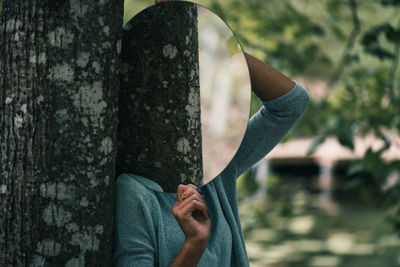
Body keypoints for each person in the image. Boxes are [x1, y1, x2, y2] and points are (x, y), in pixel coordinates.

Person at [113, 1, 310, 266]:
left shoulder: (215, 171)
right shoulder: (133, 193)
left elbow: (290, 104)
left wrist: (222, 47)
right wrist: (194, 243)